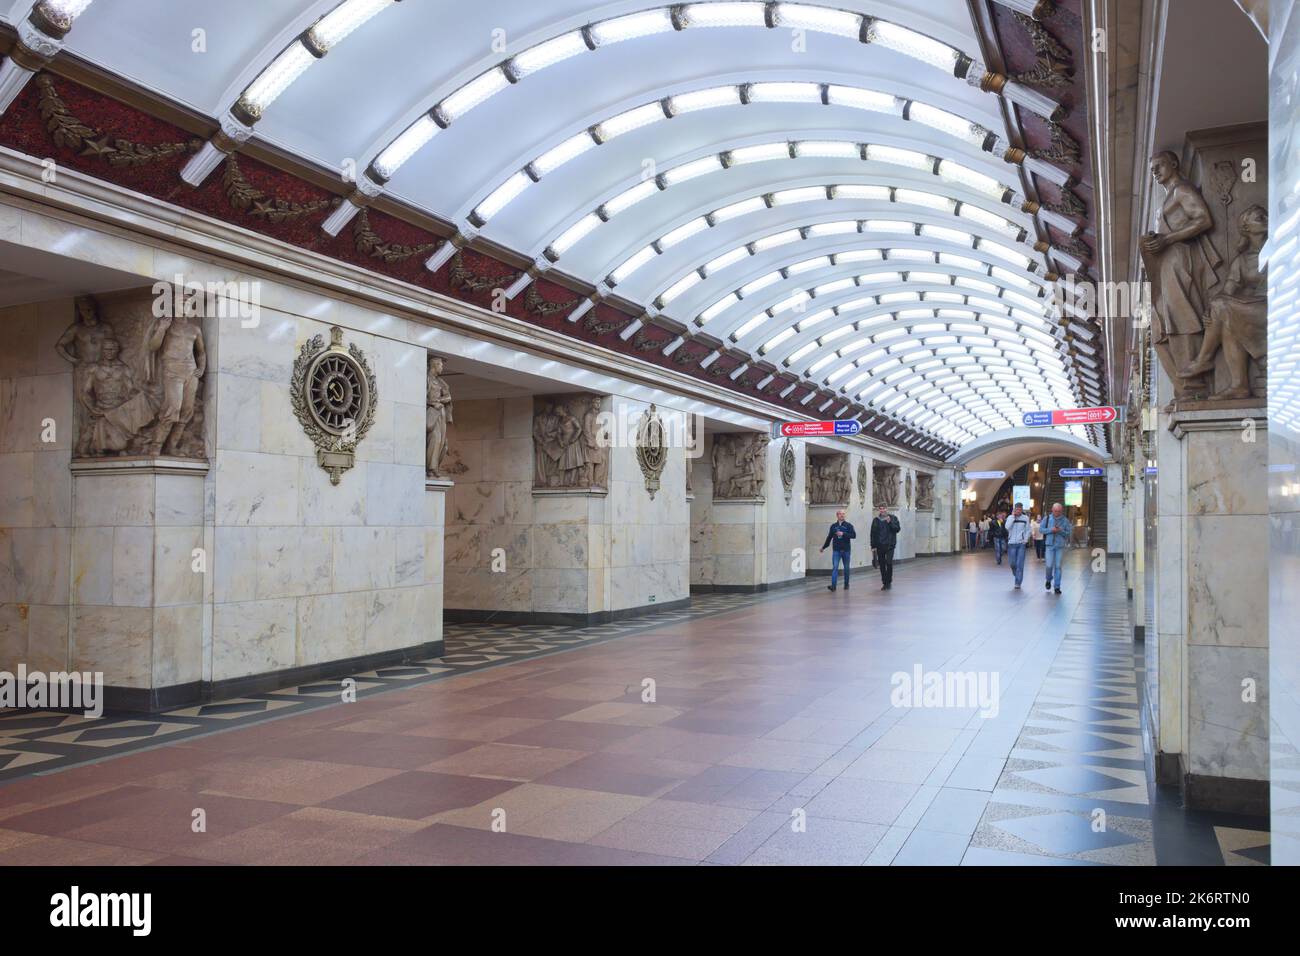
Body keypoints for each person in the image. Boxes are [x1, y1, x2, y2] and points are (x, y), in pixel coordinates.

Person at [820, 508, 856, 592]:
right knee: (835, 567)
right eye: (840, 514)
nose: (842, 515)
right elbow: (829, 538)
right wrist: (823, 547)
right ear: (837, 515)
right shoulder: (833, 526)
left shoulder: (849, 525)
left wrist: (843, 534)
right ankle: (833, 586)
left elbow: (854, 535)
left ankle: (846, 584)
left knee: (846, 568)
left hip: (846, 550)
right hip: (836, 551)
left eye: (843, 514)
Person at [1041, 502, 1071, 594]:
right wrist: (1051, 530)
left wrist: (1060, 531)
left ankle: (1057, 586)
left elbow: (1068, 534)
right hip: (1049, 545)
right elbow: (1041, 530)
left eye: (1059, 511)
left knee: (1058, 566)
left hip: (1059, 546)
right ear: (1052, 510)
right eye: (1055, 511)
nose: (1057, 513)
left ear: (1061, 511)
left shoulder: (1065, 520)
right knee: (1049, 565)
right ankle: (1048, 579)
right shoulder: (1047, 518)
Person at [870, 503, 901, 591]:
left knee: (889, 563)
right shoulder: (876, 520)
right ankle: (884, 582)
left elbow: (897, 529)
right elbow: (872, 534)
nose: (882, 510)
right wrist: (873, 546)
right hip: (880, 545)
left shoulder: (893, 518)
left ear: (887, 509)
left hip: (890, 545)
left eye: (884, 508)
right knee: (882, 565)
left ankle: (889, 581)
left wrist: (890, 522)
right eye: (880, 508)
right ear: (879, 510)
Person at [1006, 503, 1031, 589]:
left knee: (1020, 564)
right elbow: (1007, 527)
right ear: (1014, 509)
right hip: (1011, 543)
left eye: (1020, 510)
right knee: (1012, 563)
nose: (1018, 511)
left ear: (1022, 509)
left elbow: (1028, 530)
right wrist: (1013, 517)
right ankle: (1015, 572)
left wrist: (1026, 540)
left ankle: (1018, 582)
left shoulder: (1025, 518)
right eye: (1017, 509)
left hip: (1021, 544)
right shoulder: (1010, 517)